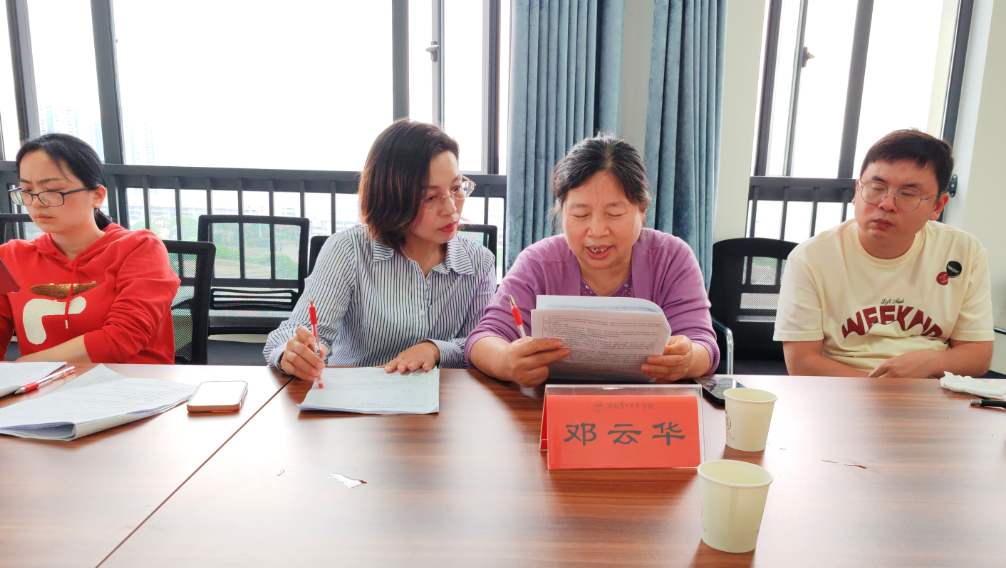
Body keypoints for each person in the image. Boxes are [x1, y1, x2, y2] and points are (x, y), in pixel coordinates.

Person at [466, 134, 719, 388]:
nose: (597, 231)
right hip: (553, 406)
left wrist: (687, 359)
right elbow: (483, 339)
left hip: (646, 406)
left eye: (614, 213)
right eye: (580, 214)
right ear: (562, 212)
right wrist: (506, 361)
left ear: (642, 210)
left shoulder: (671, 258)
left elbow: (703, 344)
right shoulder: (538, 263)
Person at [263, 120, 496, 380]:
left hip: (443, 398)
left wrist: (435, 349)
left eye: (456, 188)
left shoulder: (479, 261)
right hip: (356, 396)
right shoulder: (348, 251)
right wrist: (292, 354)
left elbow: (482, 343)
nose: (451, 209)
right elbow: (296, 332)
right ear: (392, 198)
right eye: (430, 197)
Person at [774, 129, 993, 378]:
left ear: (937, 206)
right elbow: (802, 363)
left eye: (908, 194)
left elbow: (978, 354)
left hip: (932, 390)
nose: (886, 204)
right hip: (841, 390)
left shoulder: (964, 251)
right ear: (857, 191)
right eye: (876, 187)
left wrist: (932, 361)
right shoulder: (811, 258)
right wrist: (885, 391)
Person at [0, 133, 180, 364]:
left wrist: (26, 367)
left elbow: (122, 337)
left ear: (97, 195)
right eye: (27, 191)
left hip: (130, 382)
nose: (36, 203)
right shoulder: (10, 257)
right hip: (44, 386)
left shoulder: (140, 248)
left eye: (52, 190)